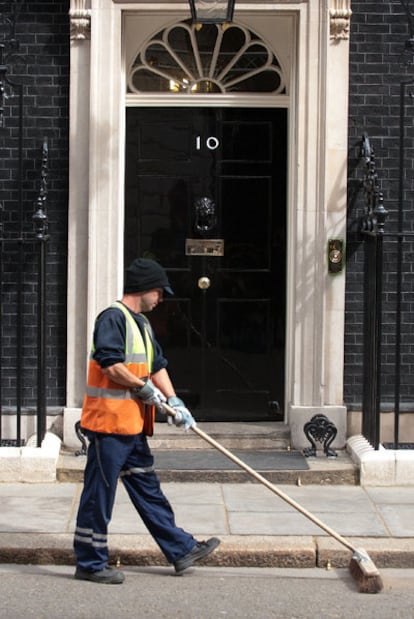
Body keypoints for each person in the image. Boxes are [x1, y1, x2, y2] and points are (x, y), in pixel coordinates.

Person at [73, 258, 220, 584]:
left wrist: (174, 400)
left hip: (133, 428)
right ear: (144, 289)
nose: (162, 298)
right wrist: (143, 389)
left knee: (149, 491)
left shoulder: (141, 323)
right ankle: (90, 562)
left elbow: (156, 365)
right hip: (108, 428)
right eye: (159, 291)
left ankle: (180, 549)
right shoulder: (112, 319)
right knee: (99, 496)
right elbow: (110, 365)